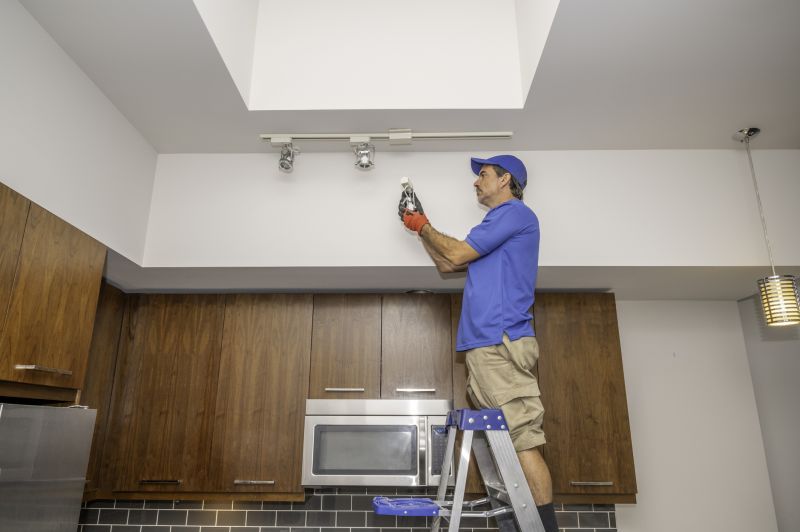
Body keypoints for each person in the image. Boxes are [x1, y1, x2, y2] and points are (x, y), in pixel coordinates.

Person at [398, 154, 557, 532]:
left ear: (506, 181)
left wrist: (423, 225)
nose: (475, 181)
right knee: (509, 440)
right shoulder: (495, 227)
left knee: (522, 439)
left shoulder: (515, 214)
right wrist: (421, 228)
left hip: (499, 342)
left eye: (482, 175)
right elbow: (447, 266)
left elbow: (454, 253)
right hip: (486, 346)